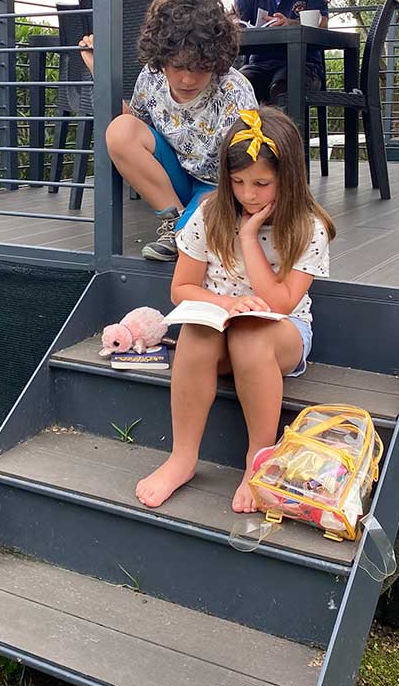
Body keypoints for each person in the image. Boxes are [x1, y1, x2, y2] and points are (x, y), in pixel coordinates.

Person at [134, 107, 336, 512]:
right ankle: (182, 457)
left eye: (262, 183)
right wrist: (228, 303)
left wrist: (247, 237)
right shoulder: (209, 214)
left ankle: (257, 459)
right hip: (220, 327)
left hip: (283, 333)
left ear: (289, 179)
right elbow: (182, 289)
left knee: (250, 333)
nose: (249, 194)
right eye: (238, 181)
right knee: (195, 331)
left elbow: (279, 303)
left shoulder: (307, 226)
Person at [81, 0, 257, 262]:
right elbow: (132, 124)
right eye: (177, 66)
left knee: (202, 226)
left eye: (200, 67)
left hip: (219, 185)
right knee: (120, 130)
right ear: (161, 58)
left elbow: (247, 163)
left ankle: (184, 232)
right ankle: (175, 223)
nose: (187, 79)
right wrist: (99, 71)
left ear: (217, 60)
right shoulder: (151, 77)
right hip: (174, 175)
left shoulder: (234, 90)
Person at [234, 0, 329, 105]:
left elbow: (323, 24)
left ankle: (286, 133)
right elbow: (234, 23)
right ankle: (248, 133)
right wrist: (232, 24)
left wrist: (290, 24)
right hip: (259, 66)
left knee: (282, 88)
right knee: (237, 87)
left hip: (304, 65)